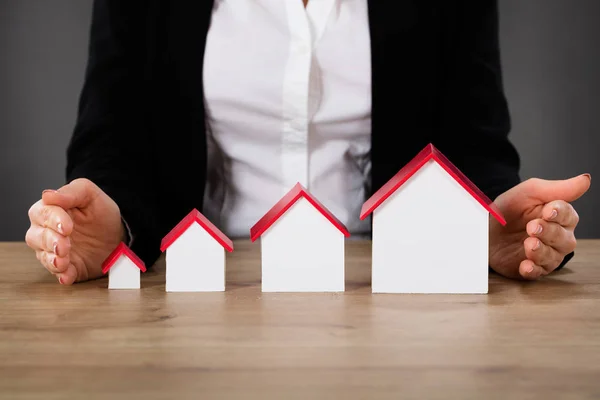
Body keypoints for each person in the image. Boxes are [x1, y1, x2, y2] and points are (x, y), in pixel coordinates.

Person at [25, 0, 590, 285]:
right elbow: (114, 135)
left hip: (382, 295)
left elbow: (474, 143)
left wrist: (489, 227)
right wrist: (112, 221)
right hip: (195, 291)